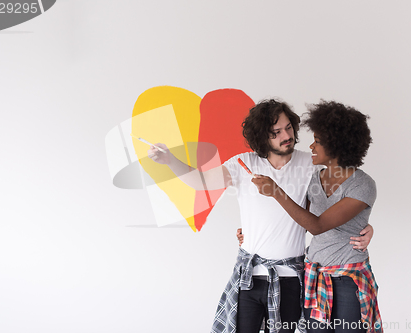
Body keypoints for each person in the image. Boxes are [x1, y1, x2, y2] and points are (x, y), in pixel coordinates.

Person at [148, 99, 374, 333]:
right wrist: (169, 160)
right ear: (261, 136)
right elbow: (200, 182)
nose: (286, 135)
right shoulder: (243, 163)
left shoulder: (311, 164)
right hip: (249, 276)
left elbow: (337, 199)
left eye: (288, 128)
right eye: (275, 132)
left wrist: (366, 227)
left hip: (290, 278)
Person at [251, 100, 382, 332]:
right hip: (315, 275)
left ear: (336, 146)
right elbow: (299, 219)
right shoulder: (315, 179)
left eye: (318, 142)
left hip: (348, 280)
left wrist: (276, 192)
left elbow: (318, 225)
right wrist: (252, 233)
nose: (311, 146)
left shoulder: (363, 185)